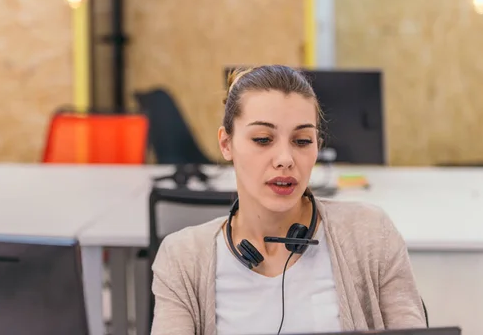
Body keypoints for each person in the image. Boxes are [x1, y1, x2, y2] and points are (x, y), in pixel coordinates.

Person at [150, 65, 426, 335]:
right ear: (226, 144)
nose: (285, 159)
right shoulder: (182, 258)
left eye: (302, 141)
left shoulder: (370, 233)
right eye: (262, 139)